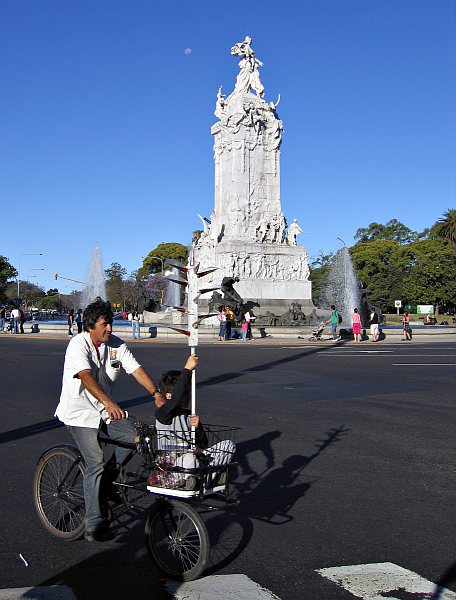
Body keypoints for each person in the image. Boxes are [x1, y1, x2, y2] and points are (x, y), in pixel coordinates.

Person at [54, 299, 164, 542]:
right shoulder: (77, 344)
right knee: (95, 461)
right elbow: (85, 377)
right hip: (79, 412)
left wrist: (155, 394)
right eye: (105, 324)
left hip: (104, 409)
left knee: (140, 434)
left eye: (111, 323)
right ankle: (93, 524)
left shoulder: (115, 345)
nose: (110, 329)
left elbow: (135, 369)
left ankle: (107, 482)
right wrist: (109, 403)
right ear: (90, 326)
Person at [152, 354, 236, 490]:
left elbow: (203, 444)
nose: (189, 396)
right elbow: (175, 399)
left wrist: (198, 427)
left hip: (193, 459)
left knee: (228, 446)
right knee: (190, 459)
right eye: (186, 393)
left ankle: (200, 481)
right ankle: (197, 480)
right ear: (169, 395)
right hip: (174, 466)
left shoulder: (187, 414)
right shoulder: (163, 414)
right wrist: (187, 370)